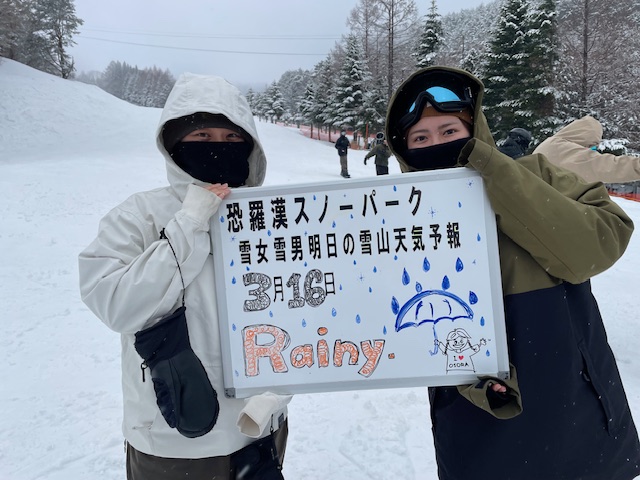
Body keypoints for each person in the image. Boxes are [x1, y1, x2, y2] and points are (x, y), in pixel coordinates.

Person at [385, 65, 640, 480]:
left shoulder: (539, 175)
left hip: (578, 412)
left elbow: (596, 247)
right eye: (420, 138)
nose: (437, 144)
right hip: (480, 426)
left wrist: (494, 173)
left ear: (475, 128)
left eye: (449, 131)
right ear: (405, 150)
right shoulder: (398, 220)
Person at [79, 73, 290, 480]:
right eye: (202, 135)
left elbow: (306, 314)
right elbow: (118, 305)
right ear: (174, 143)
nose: (218, 147)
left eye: (231, 138)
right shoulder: (138, 215)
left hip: (261, 429)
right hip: (174, 441)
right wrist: (190, 221)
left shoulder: (271, 216)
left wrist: (276, 397)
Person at [534, 115, 640, 183]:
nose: (591, 149)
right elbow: (606, 166)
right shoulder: (564, 150)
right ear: (584, 137)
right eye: (591, 145)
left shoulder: (551, 143)